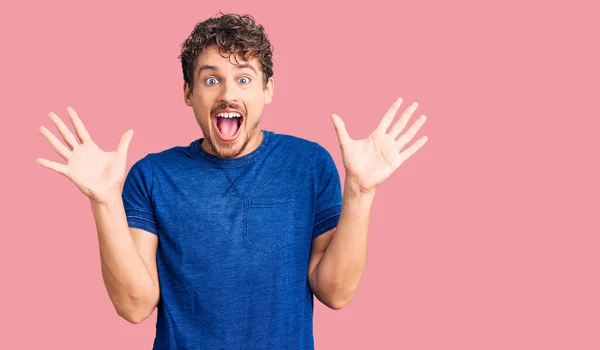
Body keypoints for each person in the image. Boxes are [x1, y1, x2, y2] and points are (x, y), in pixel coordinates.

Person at [36, 12, 428, 350]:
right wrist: (104, 201)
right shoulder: (152, 176)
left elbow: (336, 293)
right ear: (188, 93)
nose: (227, 94)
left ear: (268, 89)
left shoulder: (308, 165)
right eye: (211, 80)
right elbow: (135, 306)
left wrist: (360, 191)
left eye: (244, 79)